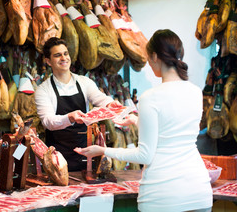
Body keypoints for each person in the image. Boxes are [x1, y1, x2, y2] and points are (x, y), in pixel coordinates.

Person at [74, 29, 213, 212]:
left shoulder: (151, 97)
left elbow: (144, 155)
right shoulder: (195, 91)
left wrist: (102, 150)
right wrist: (135, 120)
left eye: (148, 57)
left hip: (162, 195)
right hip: (199, 191)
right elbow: (172, 132)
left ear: (155, 56)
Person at [35, 37, 121, 172]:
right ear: (48, 61)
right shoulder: (43, 90)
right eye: (57, 55)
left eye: (65, 53)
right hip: (57, 159)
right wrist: (69, 117)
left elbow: (99, 98)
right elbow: (47, 121)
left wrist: (110, 103)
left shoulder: (84, 82)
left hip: (85, 154)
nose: (63, 58)